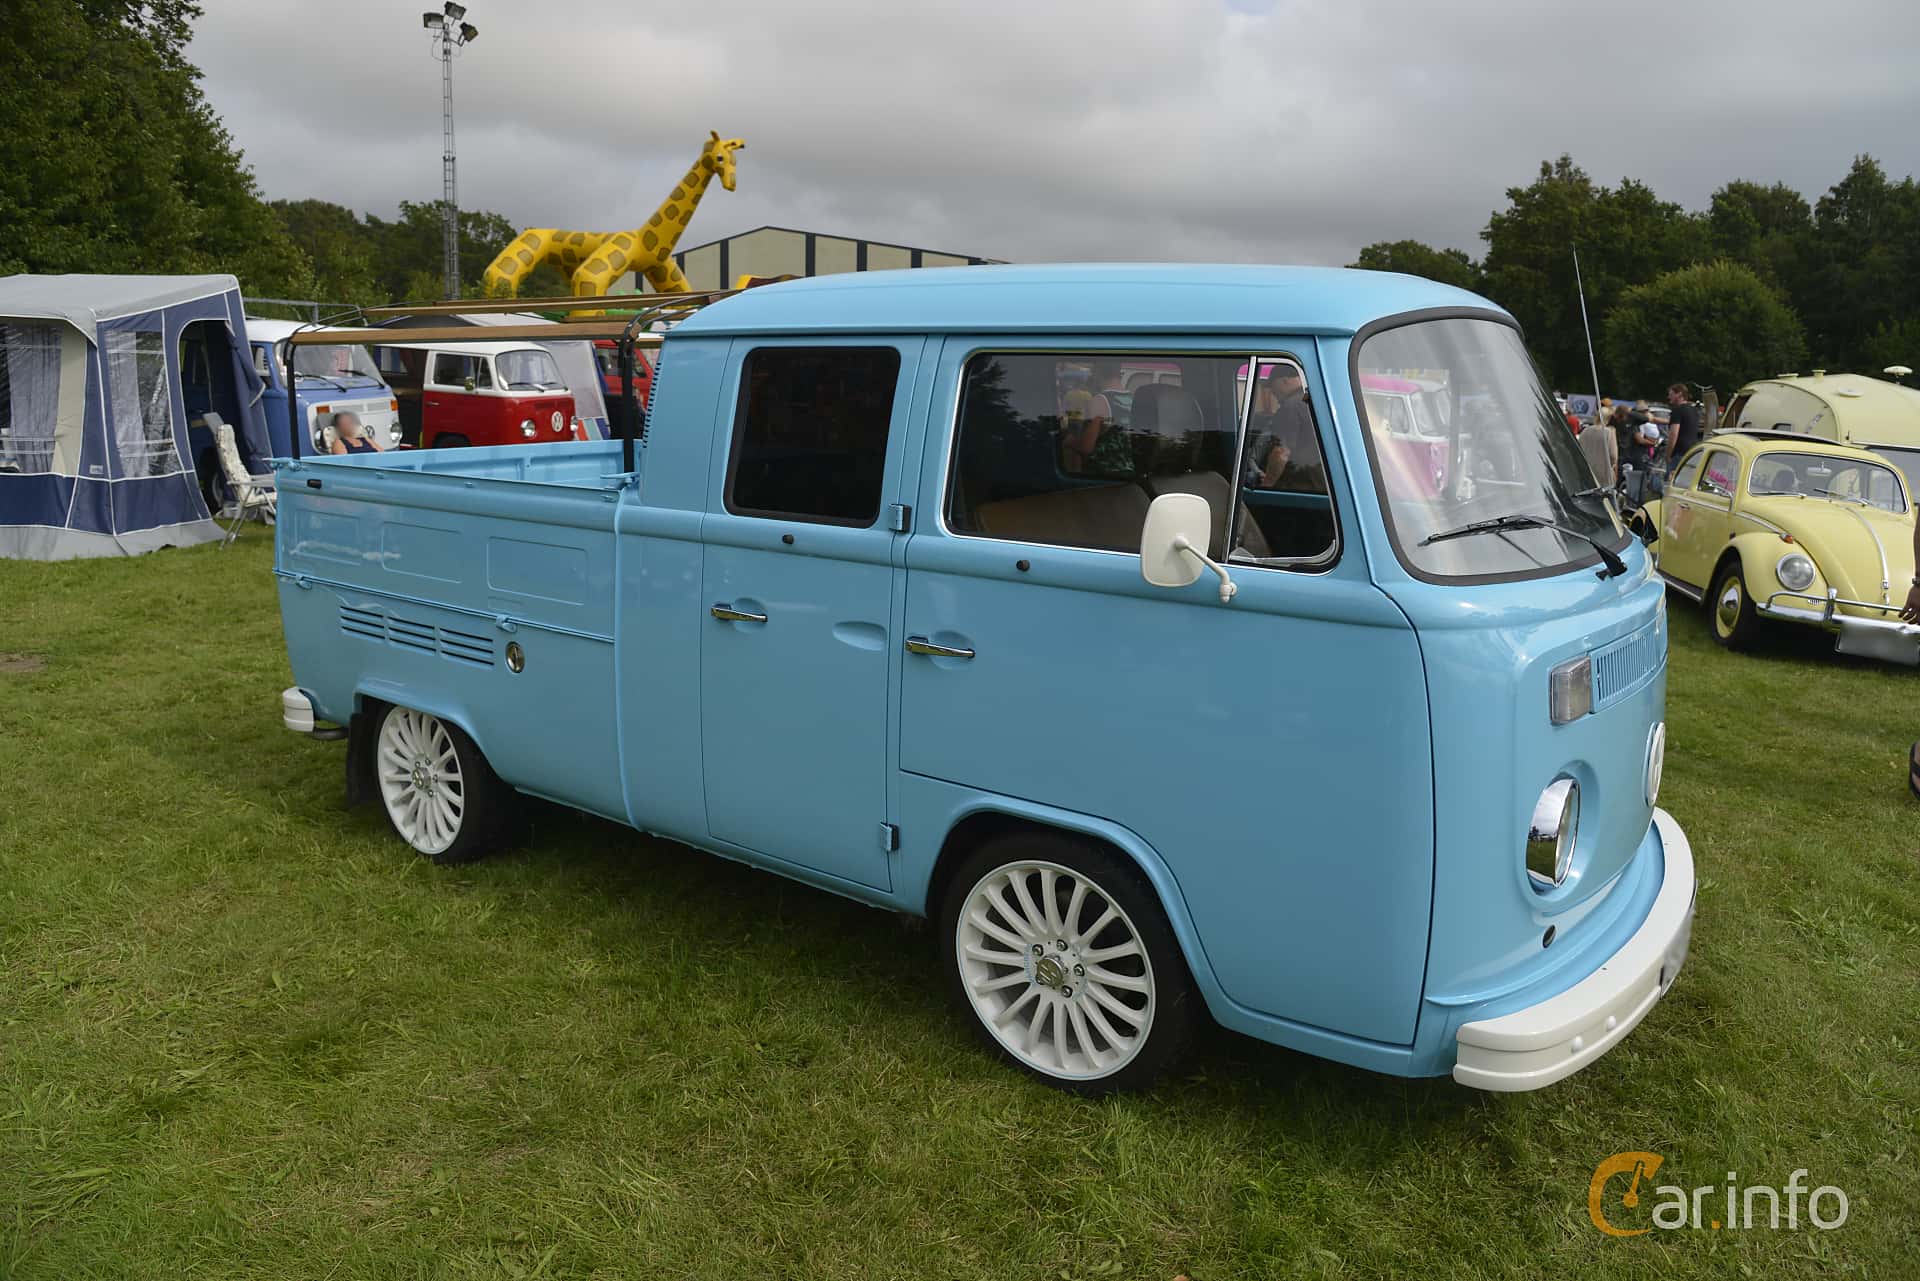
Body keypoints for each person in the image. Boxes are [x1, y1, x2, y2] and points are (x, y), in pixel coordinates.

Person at [1249, 365, 1323, 491]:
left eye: (1273, 385)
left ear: (1284, 380)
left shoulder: (1290, 407)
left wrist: (1267, 484)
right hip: (1320, 482)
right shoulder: (1313, 400)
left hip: (1301, 485)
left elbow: (1281, 452)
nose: (1272, 392)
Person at [1059, 361, 1129, 474]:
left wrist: (1068, 442)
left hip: (1104, 473)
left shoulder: (1100, 401)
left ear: (1097, 372)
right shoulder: (1131, 398)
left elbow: (1086, 447)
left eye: (1093, 371)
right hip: (1127, 471)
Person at [1660, 383, 1701, 471]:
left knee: (1670, 481)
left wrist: (1668, 455)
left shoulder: (1677, 411)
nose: (1668, 397)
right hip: (1692, 452)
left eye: (1671, 394)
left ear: (1679, 394)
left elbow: (1673, 434)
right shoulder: (1694, 410)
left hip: (1679, 453)